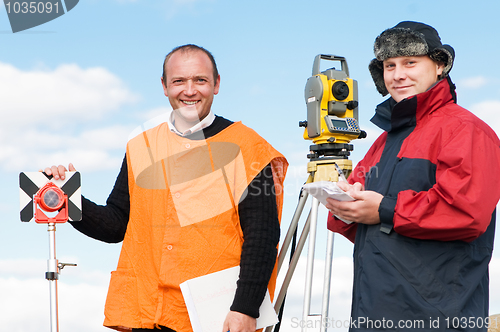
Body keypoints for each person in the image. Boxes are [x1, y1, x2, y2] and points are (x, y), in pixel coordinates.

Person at [45, 44, 288, 332]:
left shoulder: (248, 147)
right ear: (164, 86)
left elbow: (262, 237)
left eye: (200, 80)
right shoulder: (142, 146)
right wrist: (65, 198)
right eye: (179, 81)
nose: (189, 90)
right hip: (146, 315)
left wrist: (245, 308)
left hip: (215, 318)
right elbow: (116, 225)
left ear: (217, 84)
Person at [326, 21, 500, 331]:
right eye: (389, 65)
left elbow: (466, 213)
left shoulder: (466, 130)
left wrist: (383, 209)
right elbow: (373, 229)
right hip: (372, 314)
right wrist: (345, 207)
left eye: (410, 62)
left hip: (437, 319)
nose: (398, 74)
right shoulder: (382, 143)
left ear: (440, 65)